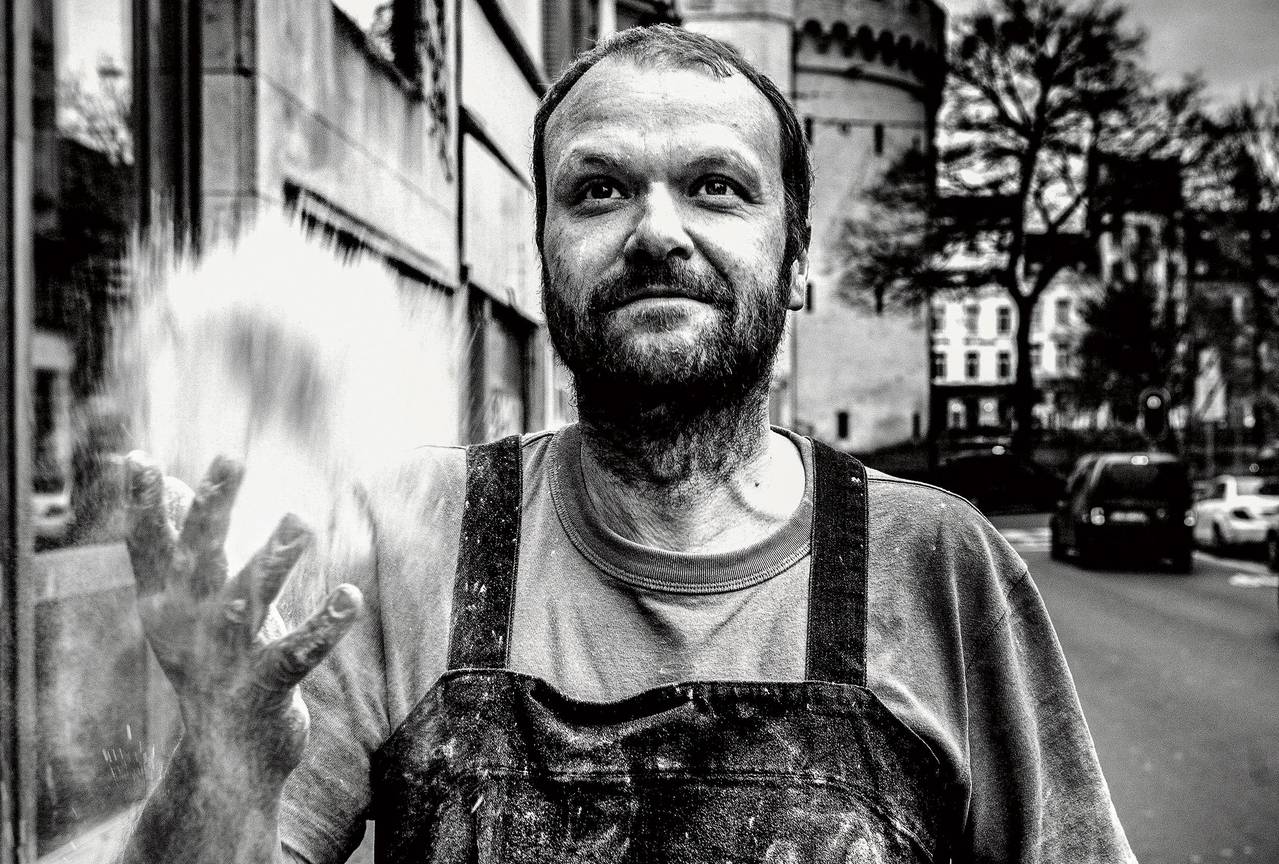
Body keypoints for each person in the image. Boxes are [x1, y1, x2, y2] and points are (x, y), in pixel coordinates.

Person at [119, 24, 1136, 864]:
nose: (656, 232)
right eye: (598, 190)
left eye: (716, 187)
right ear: (544, 252)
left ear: (794, 260)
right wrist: (221, 761)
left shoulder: (938, 570)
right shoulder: (402, 545)